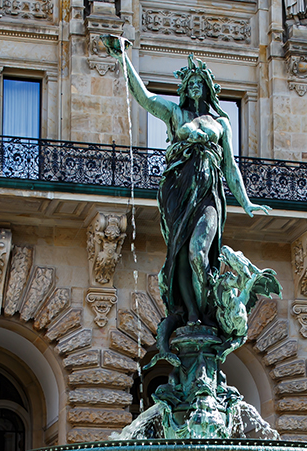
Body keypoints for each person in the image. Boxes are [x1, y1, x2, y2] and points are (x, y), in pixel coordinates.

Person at [104, 36, 273, 364]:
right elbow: (143, 96)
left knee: (199, 251)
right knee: (179, 255)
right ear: (185, 88)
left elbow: (231, 166)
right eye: (190, 82)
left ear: (208, 88)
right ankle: (192, 314)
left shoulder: (221, 123)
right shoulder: (174, 112)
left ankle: (209, 310)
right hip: (178, 189)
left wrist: (247, 202)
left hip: (209, 190)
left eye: (200, 82)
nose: (195, 86)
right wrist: (123, 57)